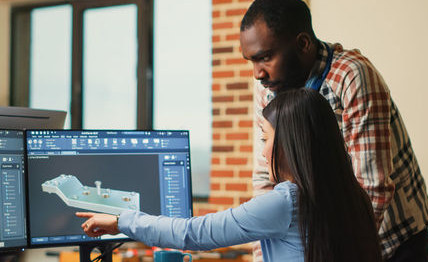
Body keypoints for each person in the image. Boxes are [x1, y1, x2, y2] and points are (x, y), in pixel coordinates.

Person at [240, 0, 428, 262]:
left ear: (303, 43)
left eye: (265, 57)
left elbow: (372, 189)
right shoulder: (269, 91)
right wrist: (264, 255)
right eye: (251, 60)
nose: (257, 73)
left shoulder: (353, 78)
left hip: (393, 239)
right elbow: (267, 178)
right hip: (327, 242)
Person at [77, 88, 383, 262]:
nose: (263, 153)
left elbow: (193, 234)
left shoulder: (286, 203)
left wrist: (121, 221)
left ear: (290, 144)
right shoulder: (354, 197)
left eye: (265, 139)